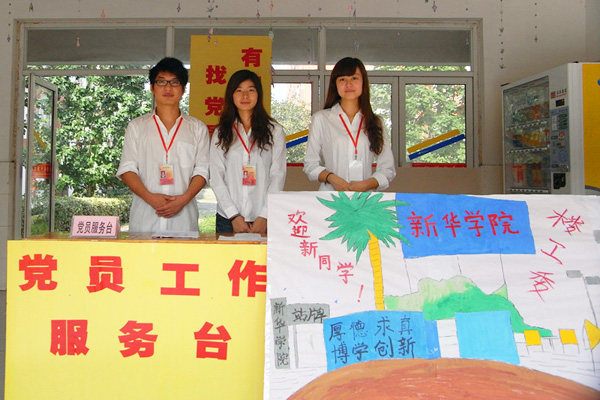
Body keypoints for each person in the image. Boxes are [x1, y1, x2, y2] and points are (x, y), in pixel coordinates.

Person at [116, 57, 210, 233]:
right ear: (152, 87)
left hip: (184, 221)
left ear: (183, 88)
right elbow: (127, 169)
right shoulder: (137, 127)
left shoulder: (197, 128)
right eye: (161, 82)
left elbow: (202, 170)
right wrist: (150, 198)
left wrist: (183, 199)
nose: (168, 88)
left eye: (174, 82)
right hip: (145, 220)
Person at [210, 69, 286, 234]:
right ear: (231, 95)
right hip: (228, 218)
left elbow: (278, 175)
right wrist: (233, 215)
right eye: (239, 90)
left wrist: (264, 215)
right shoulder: (221, 132)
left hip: (264, 218)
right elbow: (216, 177)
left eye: (251, 90)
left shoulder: (274, 131)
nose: (245, 96)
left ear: (258, 94)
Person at [303, 57, 396, 191]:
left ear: (363, 82)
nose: (349, 84)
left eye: (354, 78)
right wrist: (331, 178)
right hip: (331, 195)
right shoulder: (321, 119)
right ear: (335, 84)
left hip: (364, 197)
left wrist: (366, 184)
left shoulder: (376, 122)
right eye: (342, 79)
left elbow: (387, 168)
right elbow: (310, 165)